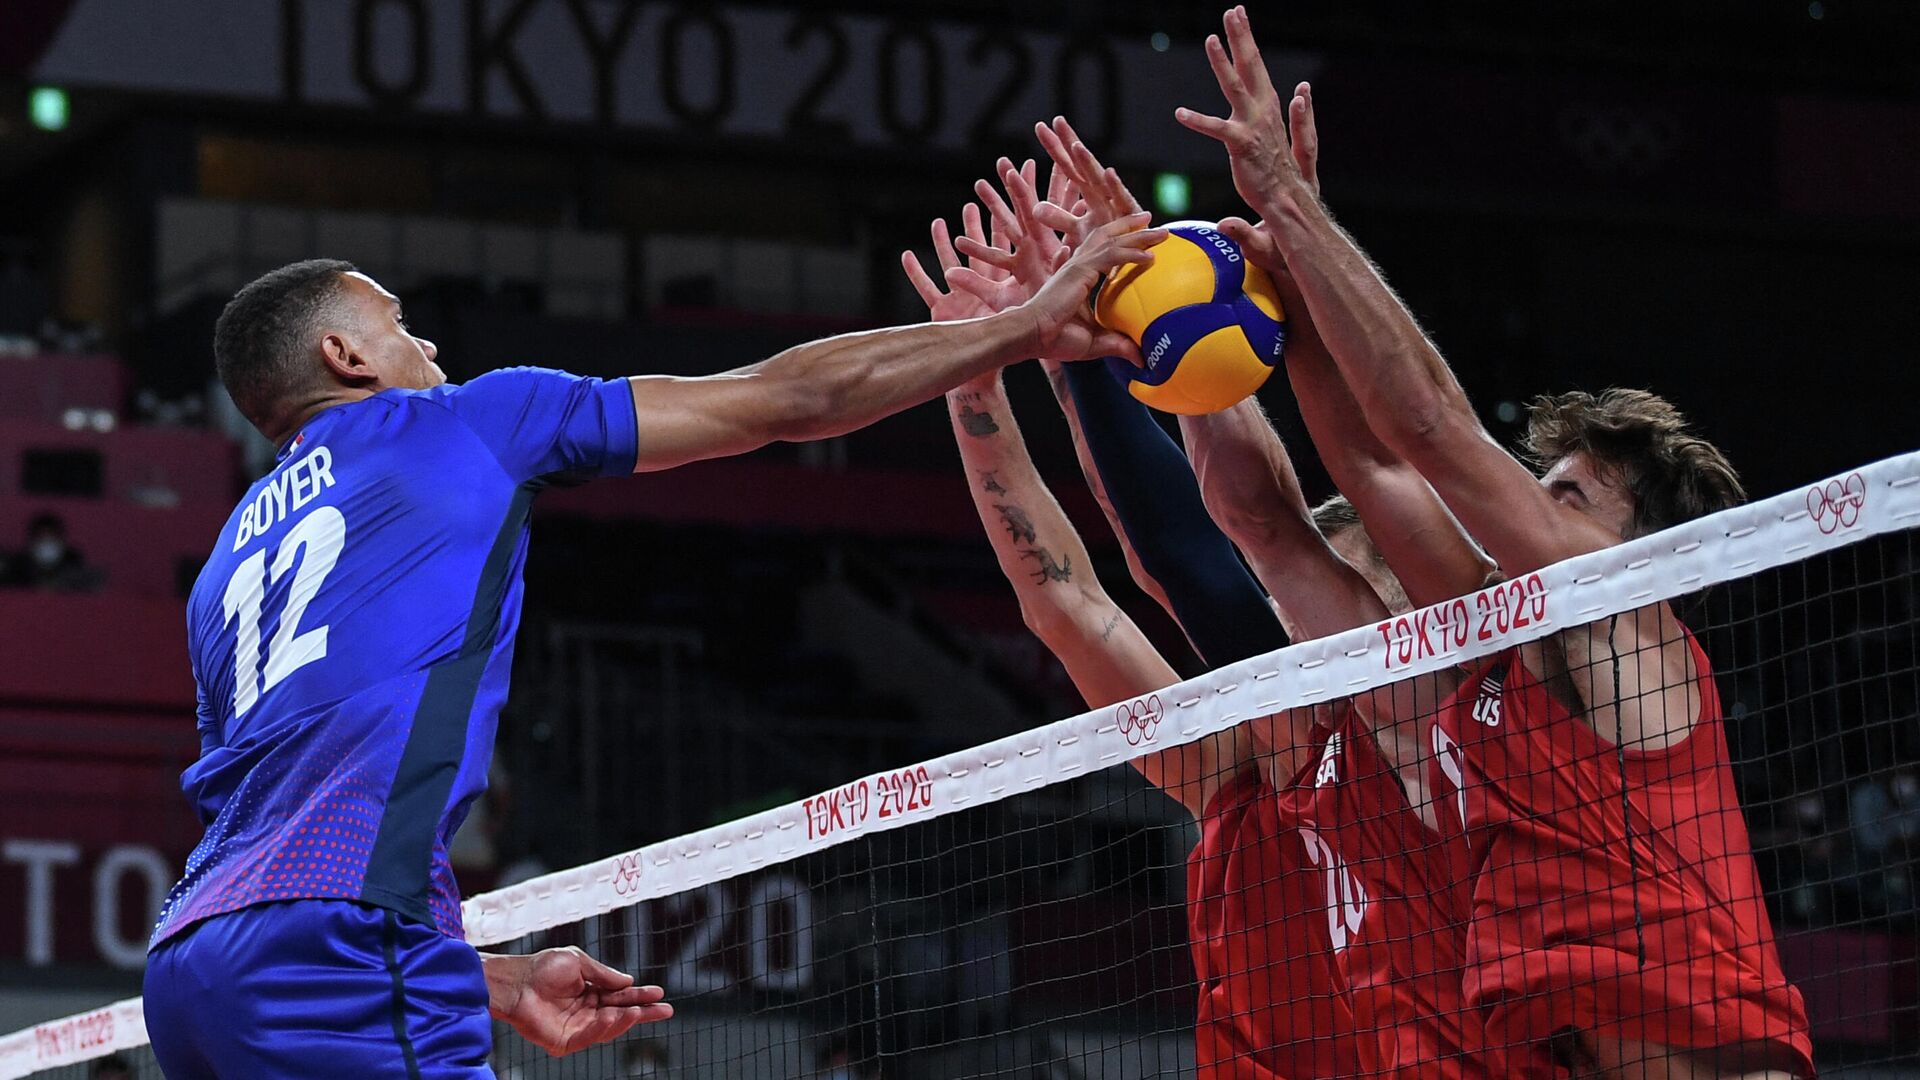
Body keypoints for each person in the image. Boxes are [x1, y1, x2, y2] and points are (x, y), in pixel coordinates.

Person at [142, 222, 1160, 1080]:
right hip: (344, 943)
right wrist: (1021, 329)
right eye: (400, 325)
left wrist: (488, 981)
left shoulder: (223, 565)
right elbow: (783, 400)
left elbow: (265, 822)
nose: (431, 346)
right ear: (344, 357)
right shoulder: (459, 424)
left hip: (191, 964)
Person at [1173, 7, 1812, 1076]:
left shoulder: (1617, 612)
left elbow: (1427, 427)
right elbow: (1375, 473)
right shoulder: (1496, 656)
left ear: (1633, 542)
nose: (1534, 504)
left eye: (1568, 495)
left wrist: (1292, 200)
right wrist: (1276, 286)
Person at [1014, 117, 1508, 1076]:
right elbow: (1212, 542)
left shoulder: (1475, 705)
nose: (1299, 610)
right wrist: (1127, 331)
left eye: (1344, 576)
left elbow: (1239, 538)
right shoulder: (1313, 747)